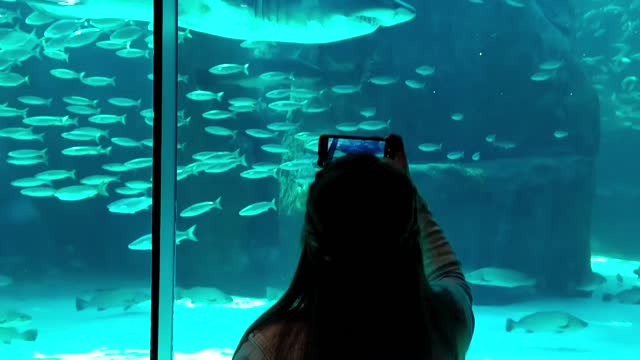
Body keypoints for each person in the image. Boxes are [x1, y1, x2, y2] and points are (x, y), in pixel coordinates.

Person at [233, 134, 474, 360]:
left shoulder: (269, 347)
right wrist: (404, 189)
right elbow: (449, 273)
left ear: (313, 240)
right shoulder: (446, 324)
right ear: (407, 237)